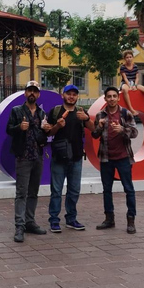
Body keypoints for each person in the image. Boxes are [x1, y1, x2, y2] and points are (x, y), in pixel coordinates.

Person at [6, 80, 52, 242]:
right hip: (23, 157)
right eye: (29, 90)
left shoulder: (41, 113)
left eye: (35, 91)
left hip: (37, 156)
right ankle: (19, 226)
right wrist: (20, 127)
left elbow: (44, 136)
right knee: (21, 193)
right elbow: (9, 130)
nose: (32, 93)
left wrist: (46, 131)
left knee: (33, 192)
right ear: (25, 93)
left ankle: (30, 222)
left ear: (38, 94)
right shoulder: (16, 111)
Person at [46, 84, 94, 233]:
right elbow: (48, 133)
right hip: (59, 157)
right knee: (56, 191)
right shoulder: (55, 112)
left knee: (74, 190)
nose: (71, 96)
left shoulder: (81, 112)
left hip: (77, 157)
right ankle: (54, 220)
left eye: (74, 94)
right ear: (63, 95)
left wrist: (86, 118)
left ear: (77, 97)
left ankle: (71, 218)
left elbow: (94, 129)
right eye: (68, 94)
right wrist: (57, 126)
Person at [92, 87, 139, 234]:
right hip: (106, 158)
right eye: (109, 96)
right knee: (107, 190)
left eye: (114, 96)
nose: (112, 98)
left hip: (123, 157)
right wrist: (99, 127)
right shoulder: (100, 115)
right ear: (105, 99)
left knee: (129, 189)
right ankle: (109, 219)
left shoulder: (126, 113)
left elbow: (135, 132)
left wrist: (122, 130)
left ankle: (131, 220)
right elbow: (94, 135)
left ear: (118, 98)